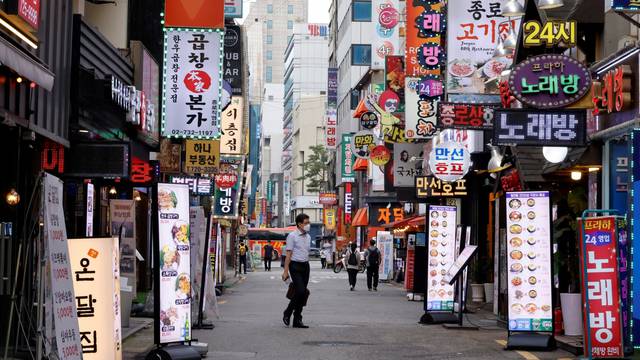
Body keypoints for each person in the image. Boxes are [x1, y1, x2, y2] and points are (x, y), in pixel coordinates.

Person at [282, 214, 311, 328]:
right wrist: (285, 271)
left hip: (305, 266)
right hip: (295, 266)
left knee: (303, 293)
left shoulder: (308, 237)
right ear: (299, 224)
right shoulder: (292, 236)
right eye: (306, 223)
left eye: (309, 223)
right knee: (299, 291)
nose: (308, 225)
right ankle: (288, 312)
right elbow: (288, 255)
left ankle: (297, 320)